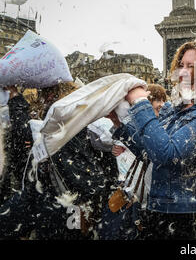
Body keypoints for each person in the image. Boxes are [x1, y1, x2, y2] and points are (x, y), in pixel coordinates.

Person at [124, 41, 196, 239]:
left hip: (187, 218)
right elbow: (149, 151)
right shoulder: (176, 109)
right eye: (181, 65)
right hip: (160, 209)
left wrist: (141, 103)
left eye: (191, 66)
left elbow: (168, 155)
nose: (182, 72)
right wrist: (119, 125)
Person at [0, 82, 114, 239]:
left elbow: (23, 132)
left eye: (47, 95)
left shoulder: (58, 124)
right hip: (75, 201)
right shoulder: (84, 125)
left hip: (58, 201)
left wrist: (15, 97)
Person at [97, 83, 168, 240]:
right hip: (135, 193)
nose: (157, 114)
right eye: (154, 108)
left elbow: (152, 153)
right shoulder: (141, 125)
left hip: (149, 198)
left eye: (159, 109)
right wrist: (118, 125)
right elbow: (141, 147)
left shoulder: (162, 128)